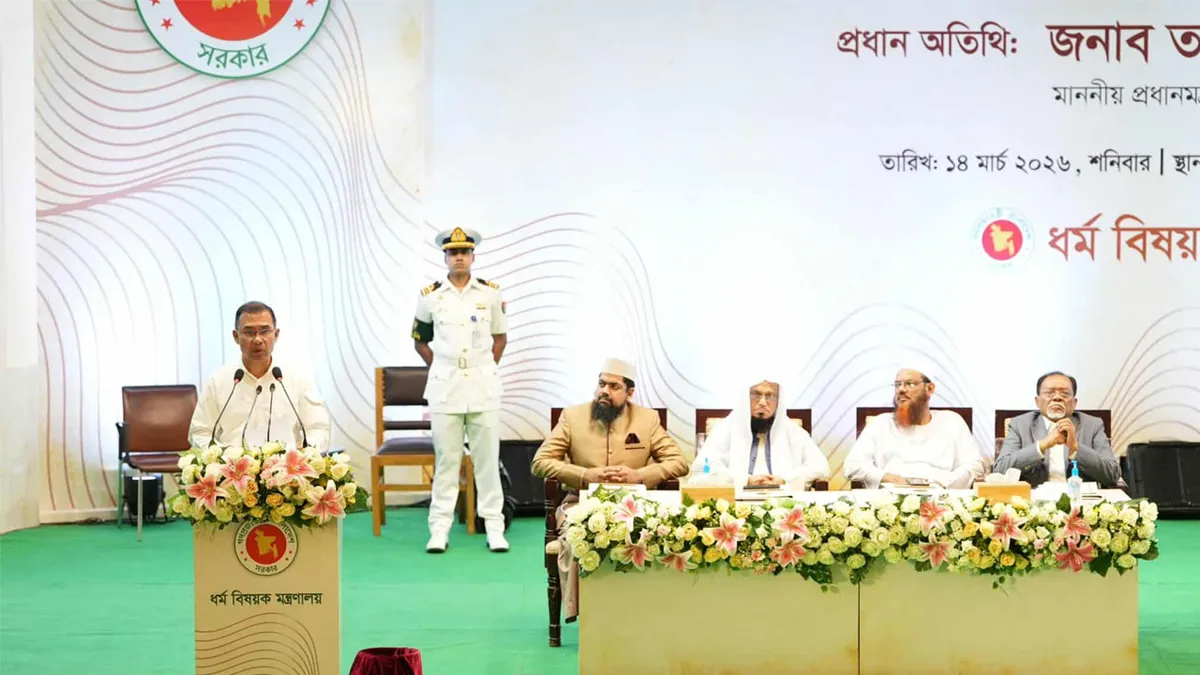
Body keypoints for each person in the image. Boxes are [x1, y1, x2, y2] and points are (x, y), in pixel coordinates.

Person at [532, 357, 689, 624]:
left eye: (614, 387)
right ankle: (581, 613)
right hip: (580, 502)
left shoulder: (647, 420)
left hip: (634, 505)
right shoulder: (572, 417)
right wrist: (584, 475)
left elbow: (679, 462)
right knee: (577, 535)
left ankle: (650, 613)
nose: (604, 391)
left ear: (630, 393)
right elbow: (540, 462)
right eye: (602, 384)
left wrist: (640, 476)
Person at [411, 227, 509, 554]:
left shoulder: (490, 294)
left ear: (473, 256)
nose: (459, 258)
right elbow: (420, 340)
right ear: (445, 258)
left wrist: (484, 366)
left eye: (464, 252)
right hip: (445, 387)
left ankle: (494, 527)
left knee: (487, 461)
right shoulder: (430, 295)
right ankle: (439, 529)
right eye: (453, 253)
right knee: (446, 462)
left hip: (482, 385)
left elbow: (500, 338)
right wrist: (440, 366)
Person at [189, 301, 331, 451]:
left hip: (286, 464)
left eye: (264, 331)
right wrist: (222, 455)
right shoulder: (218, 381)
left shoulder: (298, 378)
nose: (257, 339)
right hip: (232, 464)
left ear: (276, 335)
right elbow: (199, 432)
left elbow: (318, 428)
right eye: (249, 332)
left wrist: (306, 449)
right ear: (236, 336)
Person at [844, 366, 985, 489]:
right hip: (889, 500)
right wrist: (884, 476)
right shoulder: (880, 423)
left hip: (942, 499)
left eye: (910, 384)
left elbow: (974, 465)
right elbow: (852, 465)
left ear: (930, 389)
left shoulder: (952, 421)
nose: (901, 389)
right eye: (898, 384)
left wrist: (944, 482)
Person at [691, 379, 830, 489]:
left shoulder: (792, 431)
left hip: (783, 505)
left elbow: (820, 466)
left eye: (770, 396)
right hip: (735, 505)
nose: (763, 402)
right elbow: (703, 468)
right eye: (756, 394)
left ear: (778, 401)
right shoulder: (726, 428)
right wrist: (744, 480)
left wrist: (784, 479)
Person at [993, 371, 1121, 487]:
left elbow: (1112, 474)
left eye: (1065, 393)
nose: (1057, 398)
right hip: (1033, 499)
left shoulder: (1092, 425)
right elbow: (1000, 470)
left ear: (1074, 403)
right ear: (1037, 401)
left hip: (1081, 498)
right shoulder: (1020, 424)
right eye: (1049, 393)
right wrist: (1042, 445)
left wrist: (1075, 448)